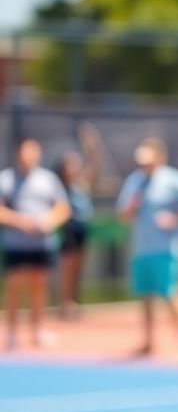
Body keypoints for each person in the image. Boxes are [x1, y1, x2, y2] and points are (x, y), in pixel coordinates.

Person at [116, 137, 178, 356]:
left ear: (159, 158)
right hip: (142, 248)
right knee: (146, 296)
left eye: (148, 160)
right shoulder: (135, 181)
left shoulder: (171, 179)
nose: (144, 164)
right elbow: (123, 215)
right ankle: (149, 342)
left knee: (171, 293)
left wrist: (177, 217)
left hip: (166, 248)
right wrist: (130, 208)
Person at [0, 138, 71, 349]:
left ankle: (38, 329)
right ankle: (11, 333)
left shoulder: (48, 180)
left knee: (39, 286)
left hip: (42, 244)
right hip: (15, 243)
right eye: (24, 152)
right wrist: (20, 221)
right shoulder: (5, 179)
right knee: (14, 287)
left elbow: (63, 208)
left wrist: (48, 221)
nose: (28, 157)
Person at [56, 123, 102, 319]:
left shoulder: (81, 184)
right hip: (69, 231)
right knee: (68, 268)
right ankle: (65, 304)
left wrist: (92, 144)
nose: (74, 167)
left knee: (78, 269)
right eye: (70, 164)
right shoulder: (60, 187)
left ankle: (73, 301)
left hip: (83, 230)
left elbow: (94, 163)